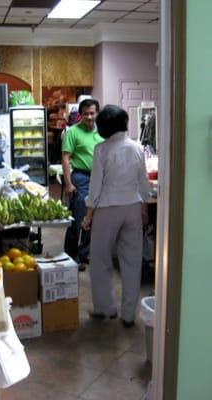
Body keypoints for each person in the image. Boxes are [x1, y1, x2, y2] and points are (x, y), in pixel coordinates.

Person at [81, 105, 149, 326]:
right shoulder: (137, 148)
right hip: (132, 206)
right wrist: (144, 207)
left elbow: (95, 188)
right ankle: (128, 315)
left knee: (100, 260)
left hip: (108, 208)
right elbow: (143, 182)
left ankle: (106, 308)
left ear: (103, 127)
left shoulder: (102, 149)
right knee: (131, 261)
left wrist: (88, 215)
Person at [62, 98, 103, 271]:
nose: (89, 117)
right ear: (80, 114)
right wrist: (68, 184)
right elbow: (65, 158)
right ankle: (72, 255)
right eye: (85, 114)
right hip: (81, 177)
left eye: (92, 113)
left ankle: (85, 253)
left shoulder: (102, 131)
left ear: (97, 113)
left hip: (100, 178)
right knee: (78, 218)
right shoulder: (73, 132)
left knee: (92, 218)